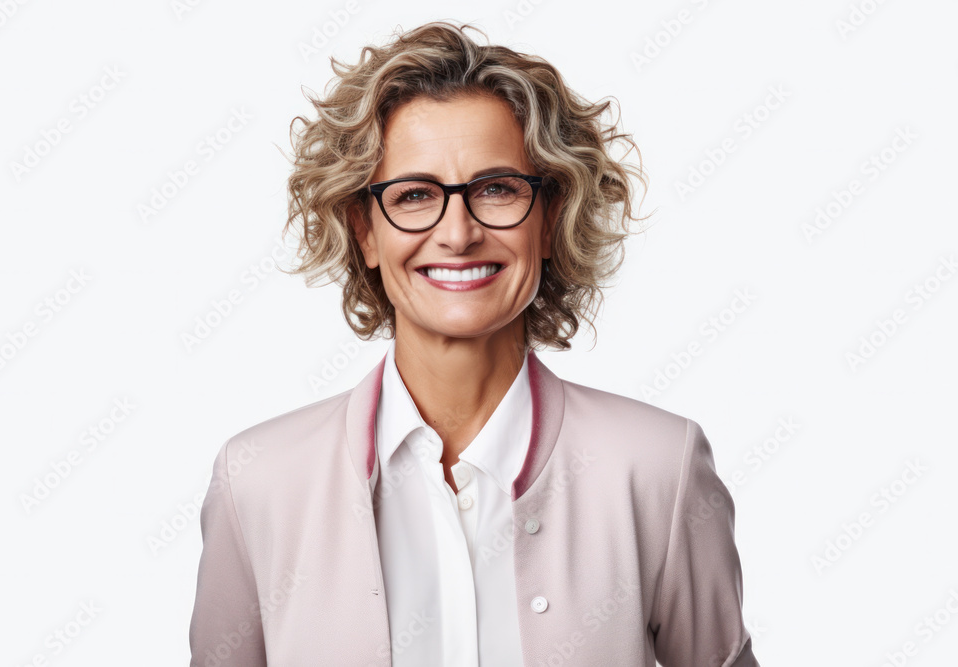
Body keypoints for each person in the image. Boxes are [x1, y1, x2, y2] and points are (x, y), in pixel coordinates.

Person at [188, 20, 759, 667]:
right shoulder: (258, 480)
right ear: (366, 230)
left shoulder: (659, 468)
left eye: (496, 189)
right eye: (413, 195)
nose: (457, 233)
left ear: (549, 217)